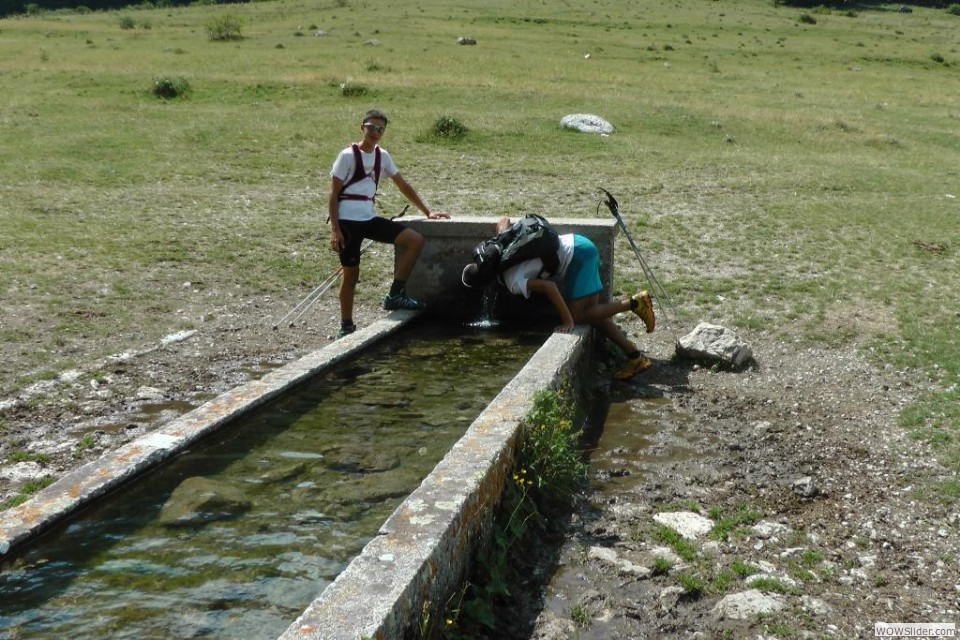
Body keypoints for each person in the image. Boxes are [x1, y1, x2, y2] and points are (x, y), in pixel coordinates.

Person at [462, 216, 656, 380]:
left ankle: (635, 302)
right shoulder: (499, 246)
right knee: (594, 317)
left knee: (579, 317)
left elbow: (550, 286)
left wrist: (568, 321)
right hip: (579, 243)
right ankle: (635, 357)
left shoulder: (512, 282)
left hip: (578, 258)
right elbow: (504, 219)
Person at [328, 108, 450, 338]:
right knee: (351, 274)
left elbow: (403, 185)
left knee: (414, 239)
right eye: (372, 127)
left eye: (380, 129)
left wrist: (428, 211)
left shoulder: (382, 156)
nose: (375, 132)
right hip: (347, 222)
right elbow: (333, 194)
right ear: (362, 127)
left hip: (369, 218)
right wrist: (335, 229)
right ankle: (346, 325)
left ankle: (395, 293)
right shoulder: (346, 156)